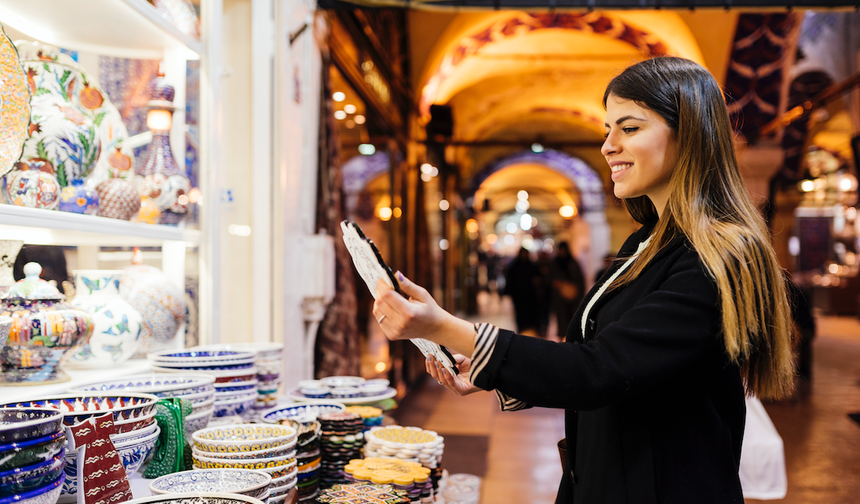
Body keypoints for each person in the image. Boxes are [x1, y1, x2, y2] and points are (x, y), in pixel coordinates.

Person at [372, 57, 795, 503]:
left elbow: (599, 370)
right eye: (608, 129)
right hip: (609, 475)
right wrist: (495, 373)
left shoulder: (720, 255)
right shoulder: (647, 241)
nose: (608, 145)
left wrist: (441, 327)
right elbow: (593, 355)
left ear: (688, 134)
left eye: (629, 129)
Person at [549, 241, 585, 338]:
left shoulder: (572, 262)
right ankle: (563, 334)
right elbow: (550, 279)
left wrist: (578, 292)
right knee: (562, 317)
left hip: (573, 297)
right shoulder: (555, 263)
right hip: (559, 297)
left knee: (572, 316)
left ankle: (571, 335)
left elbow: (580, 280)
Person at [502, 247, 541, 335]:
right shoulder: (514, 266)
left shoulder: (531, 266)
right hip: (518, 296)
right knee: (520, 315)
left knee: (530, 314)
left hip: (530, 296)